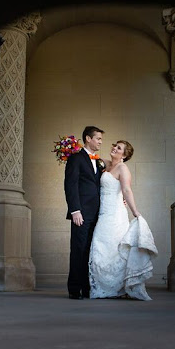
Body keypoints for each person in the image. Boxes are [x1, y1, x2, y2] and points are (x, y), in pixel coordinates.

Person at [88, 140, 158, 301]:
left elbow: (126, 190)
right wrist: (69, 148)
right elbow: (89, 157)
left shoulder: (123, 168)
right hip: (103, 213)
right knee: (101, 246)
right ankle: (104, 285)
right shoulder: (105, 163)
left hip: (115, 214)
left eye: (119, 148)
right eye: (114, 145)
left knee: (116, 249)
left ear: (124, 155)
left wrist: (135, 211)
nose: (114, 148)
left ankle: (119, 287)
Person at [64, 126, 104, 299]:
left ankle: (87, 288)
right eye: (98, 139)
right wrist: (75, 210)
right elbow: (70, 185)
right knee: (78, 249)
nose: (101, 142)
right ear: (88, 139)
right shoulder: (76, 158)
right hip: (81, 213)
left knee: (91, 250)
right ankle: (74, 288)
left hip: (98, 214)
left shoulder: (100, 161)